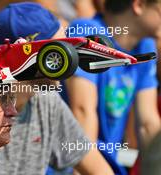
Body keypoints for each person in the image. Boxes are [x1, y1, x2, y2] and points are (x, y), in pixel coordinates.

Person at [0, 2, 114, 175]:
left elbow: (100, 170)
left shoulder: (47, 101)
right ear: (25, 55)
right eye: (61, 49)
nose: (71, 60)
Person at [61, 0, 161, 174]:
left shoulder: (146, 47)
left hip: (107, 165)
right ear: (138, 5)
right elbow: (83, 111)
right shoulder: (87, 33)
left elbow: (148, 124)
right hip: (68, 166)